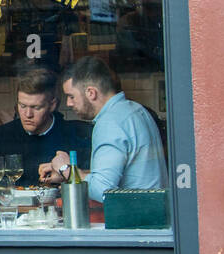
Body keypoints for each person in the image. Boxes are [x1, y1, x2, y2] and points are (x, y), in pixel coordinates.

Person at [39, 56, 168, 202]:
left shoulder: (110, 123)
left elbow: (102, 190)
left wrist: (65, 168)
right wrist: (66, 175)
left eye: (71, 96)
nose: (68, 103)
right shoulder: (135, 110)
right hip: (153, 212)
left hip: (135, 218)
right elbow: (117, 173)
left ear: (91, 93)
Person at [0, 68, 92, 186]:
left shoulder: (78, 134)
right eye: (22, 106)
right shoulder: (1, 136)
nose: (28, 114)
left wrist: (66, 174)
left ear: (52, 105)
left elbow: (100, 178)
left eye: (36, 107)